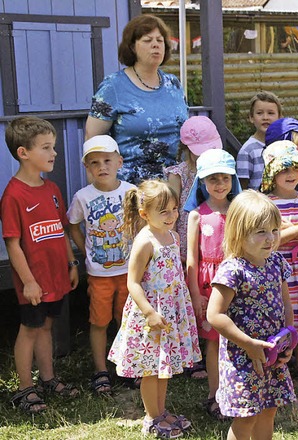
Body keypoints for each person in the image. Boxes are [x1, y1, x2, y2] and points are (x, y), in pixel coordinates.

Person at [108, 180, 201, 438]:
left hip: (171, 311)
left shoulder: (172, 235)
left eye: (173, 209)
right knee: (151, 369)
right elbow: (133, 282)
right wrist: (149, 312)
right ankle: (151, 418)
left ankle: (161, 412)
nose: (171, 216)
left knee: (164, 366)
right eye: (164, 211)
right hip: (150, 315)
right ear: (144, 214)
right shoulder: (145, 241)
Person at [1, 116, 80, 414]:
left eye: (54, 147)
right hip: (32, 281)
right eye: (46, 147)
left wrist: (72, 262)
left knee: (46, 326)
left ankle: (48, 379)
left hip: (56, 275)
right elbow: (12, 244)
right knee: (30, 329)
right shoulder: (13, 196)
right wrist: (29, 281)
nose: (54, 153)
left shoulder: (52, 189)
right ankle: (24, 390)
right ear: (23, 153)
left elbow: (60, 232)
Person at [207, 190, 296, 439]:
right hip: (243, 359)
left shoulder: (276, 262)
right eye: (261, 232)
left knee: (268, 410)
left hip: (273, 355)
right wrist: (247, 344)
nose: (271, 238)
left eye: (275, 230)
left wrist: (289, 337)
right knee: (246, 418)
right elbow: (215, 315)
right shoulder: (233, 270)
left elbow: (286, 304)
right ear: (239, 234)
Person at [67, 135, 136, 396]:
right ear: (87, 168)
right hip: (99, 274)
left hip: (129, 272)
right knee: (99, 322)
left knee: (126, 320)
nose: (102, 167)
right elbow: (72, 224)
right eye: (94, 162)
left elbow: (140, 224)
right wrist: (84, 246)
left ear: (119, 161)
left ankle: (126, 365)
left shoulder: (131, 192)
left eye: (107, 160)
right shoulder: (83, 197)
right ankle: (100, 370)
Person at [85, 14, 188, 184]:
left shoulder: (174, 84)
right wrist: (98, 190)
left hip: (174, 187)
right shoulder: (114, 86)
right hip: (130, 189)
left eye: (160, 40)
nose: (155, 44)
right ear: (132, 47)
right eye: (148, 40)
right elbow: (93, 140)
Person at [184, 149, 241, 420]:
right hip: (208, 286)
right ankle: (214, 394)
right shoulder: (197, 215)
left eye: (225, 178)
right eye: (213, 179)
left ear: (233, 179)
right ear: (202, 182)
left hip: (236, 283)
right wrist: (195, 294)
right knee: (213, 342)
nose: (220, 185)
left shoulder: (239, 211)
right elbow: (191, 258)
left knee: (237, 338)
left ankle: (238, 390)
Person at [262, 141, 298, 382]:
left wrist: (292, 230)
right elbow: (271, 241)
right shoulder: (267, 204)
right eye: (284, 169)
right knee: (282, 311)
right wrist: (297, 231)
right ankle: (281, 356)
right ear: (272, 174)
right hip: (278, 270)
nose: (291, 174)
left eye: (295, 168)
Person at [165, 116, 222, 265]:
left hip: (213, 239)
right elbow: (171, 211)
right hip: (186, 242)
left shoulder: (220, 171)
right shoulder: (178, 175)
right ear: (186, 148)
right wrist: (173, 246)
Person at [236, 91, 283, 190]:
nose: (265, 117)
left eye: (270, 113)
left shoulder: (284, 146)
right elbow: (242, 187)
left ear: (279, 117)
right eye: (259, 113)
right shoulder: (247, 150)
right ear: (251, 118)